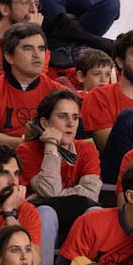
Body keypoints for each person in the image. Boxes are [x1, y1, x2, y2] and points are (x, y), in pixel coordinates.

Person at [17, 89, 102, 238]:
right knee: (47, 212)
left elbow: (91, 194)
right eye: (62, 117)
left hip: (76, 217)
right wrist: (51, 145)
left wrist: (57, 196)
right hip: (39, 219)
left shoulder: (87, 148)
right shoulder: (26, 150)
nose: (70, 124)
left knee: (94, 212)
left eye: (75, 117)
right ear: (44, 123)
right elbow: (49, 191)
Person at [0, 24, 64, 147]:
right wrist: (26, 144)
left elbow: (74, 134)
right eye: (28, 48)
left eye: (41, 49)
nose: (37, 54)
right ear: (9, 57)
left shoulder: (60, 93)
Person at [85, 29, 133, 173]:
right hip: (113, 175)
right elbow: (108, 147)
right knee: (129, 118)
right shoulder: (98, 96)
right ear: (120, 61)